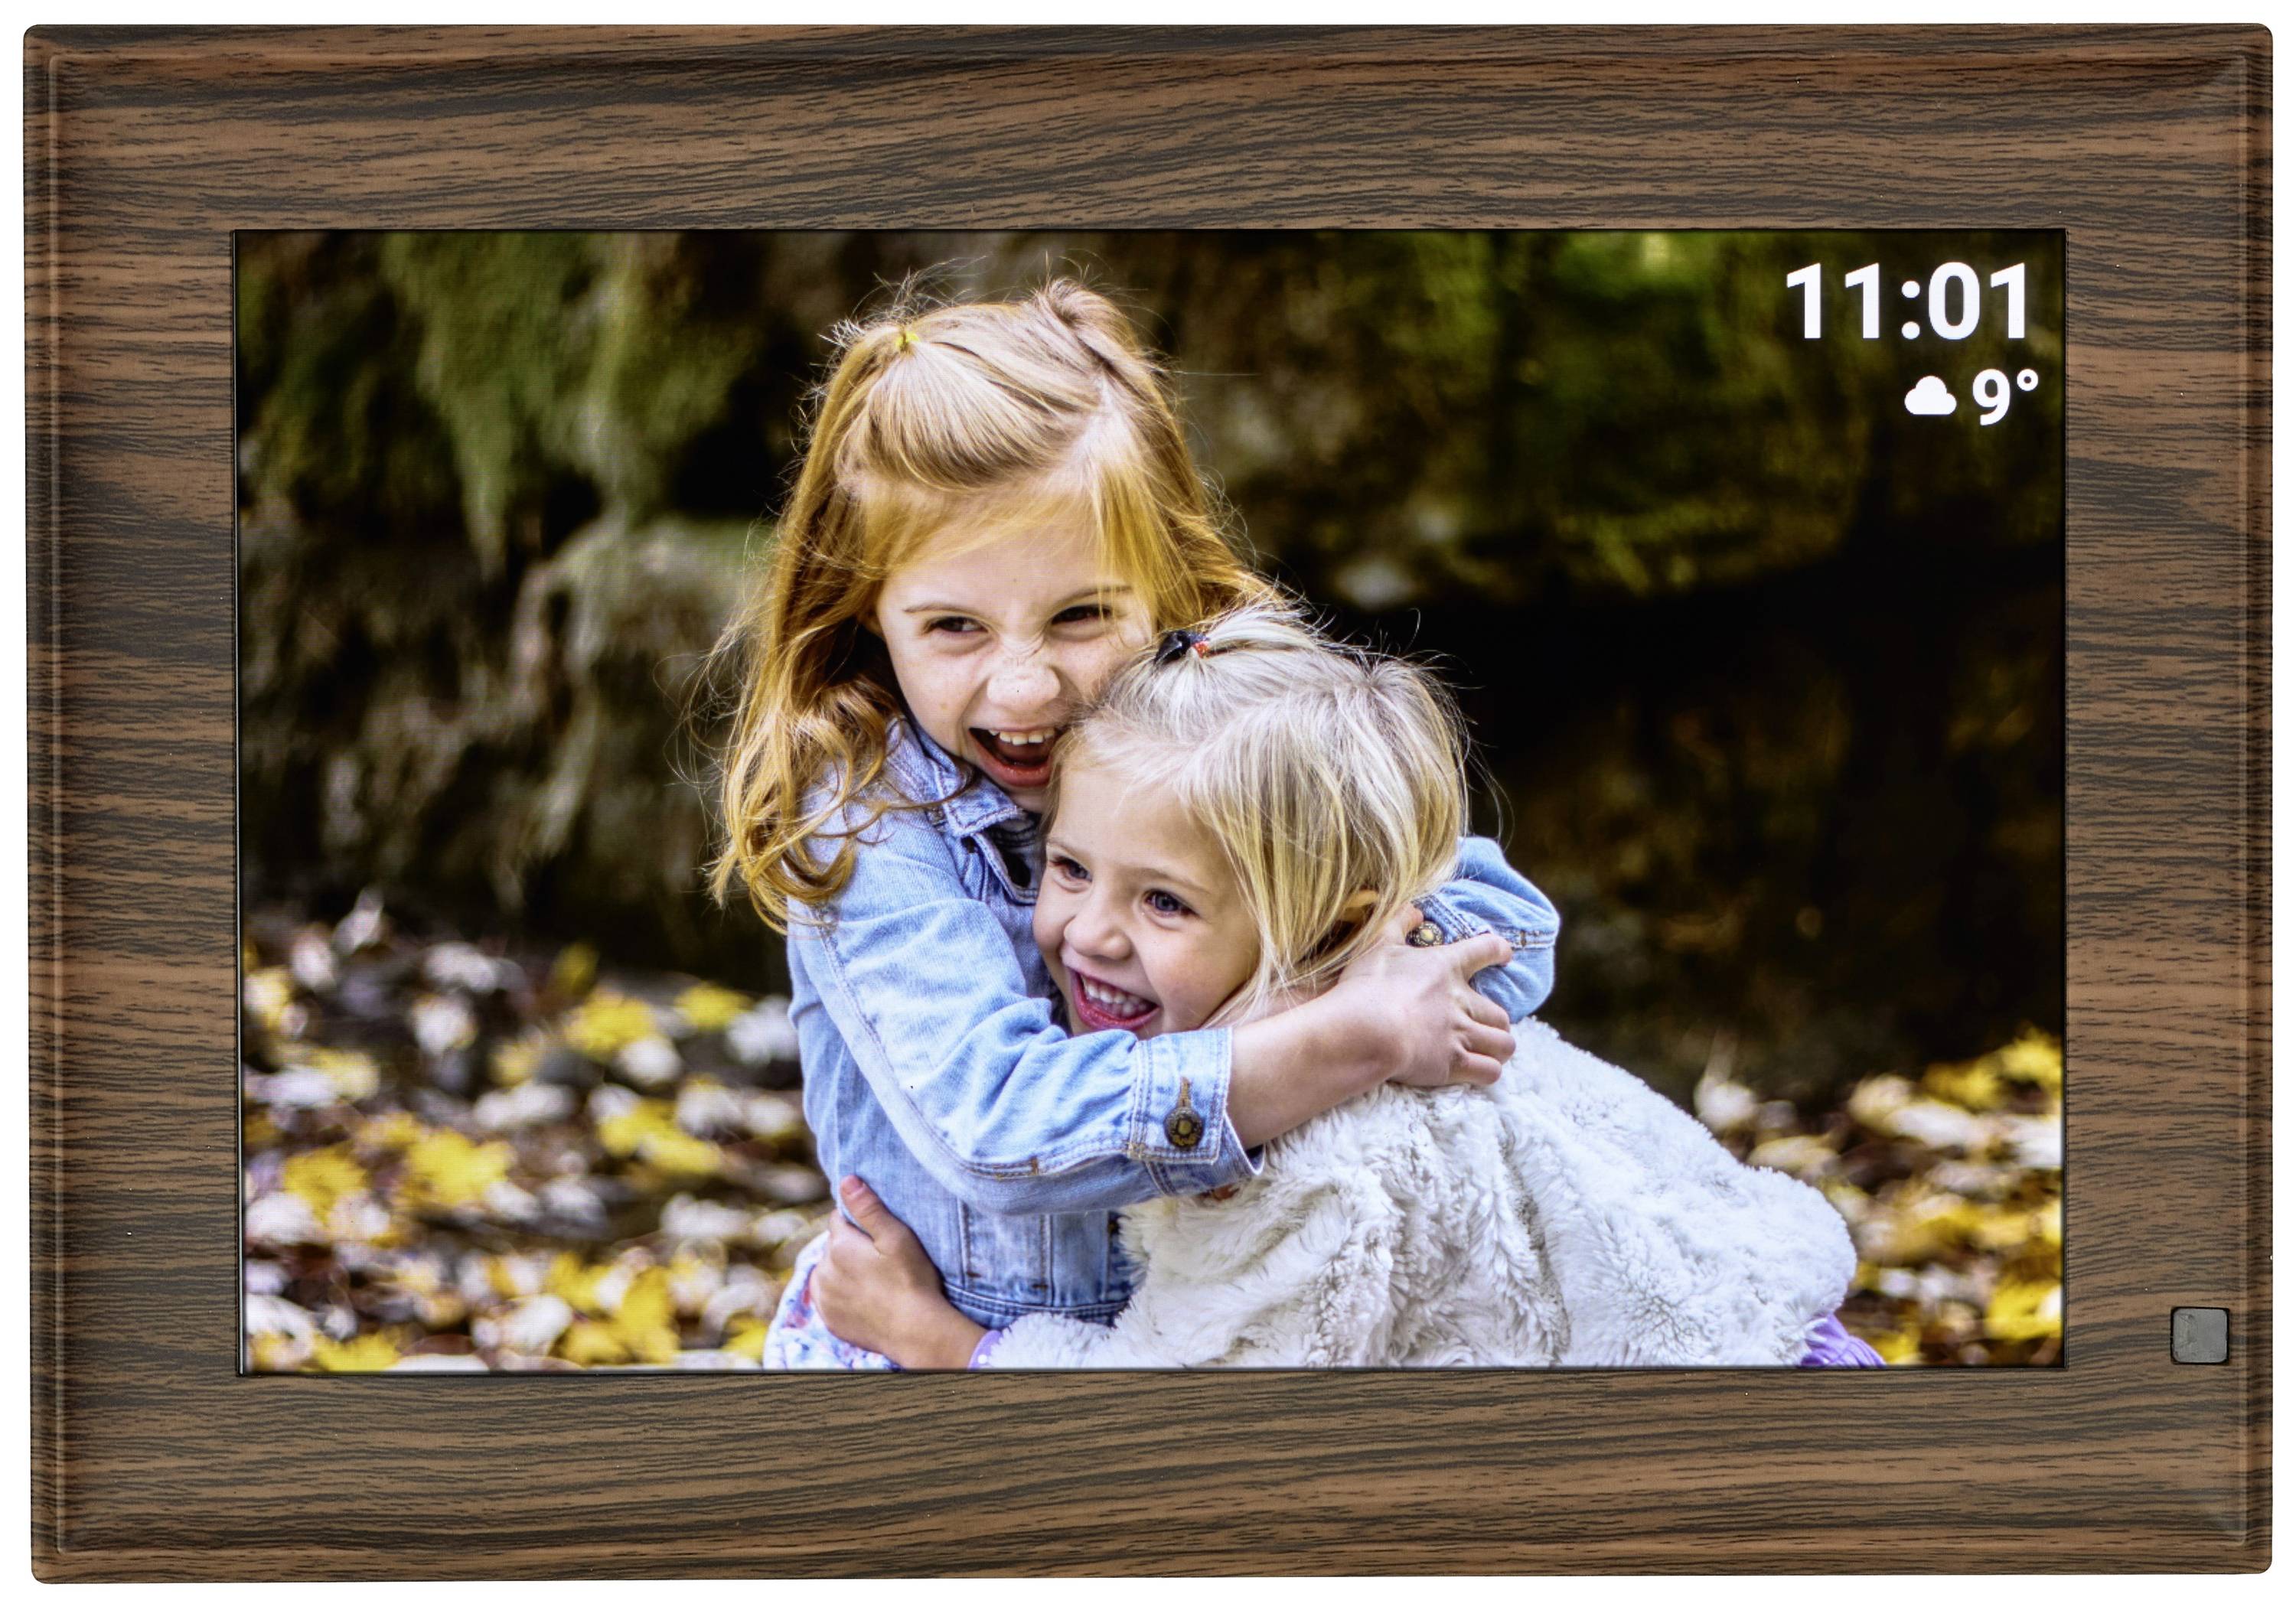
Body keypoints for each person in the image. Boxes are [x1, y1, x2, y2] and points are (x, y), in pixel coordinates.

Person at [703, 282, 1561, 1367]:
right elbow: (1000, 1128)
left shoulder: (1220, 731)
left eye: (1081, 615)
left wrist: (1339, 977)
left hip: (1210, 1338)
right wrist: (1343, 1037)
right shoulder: (868, 815)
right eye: (955, 627)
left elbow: (1504, 926)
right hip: (943, 1363)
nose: (1025, 688)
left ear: (1164, 585)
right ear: (867, 609)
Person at [808, 605, 1884, 1367]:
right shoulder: (1379, 1004)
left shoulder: (1322, 1161)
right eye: (1071, 867)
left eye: (1166, 903)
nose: (1088, 933)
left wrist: (938, 1342)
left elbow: (1184, 1445)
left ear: (1336, 927)